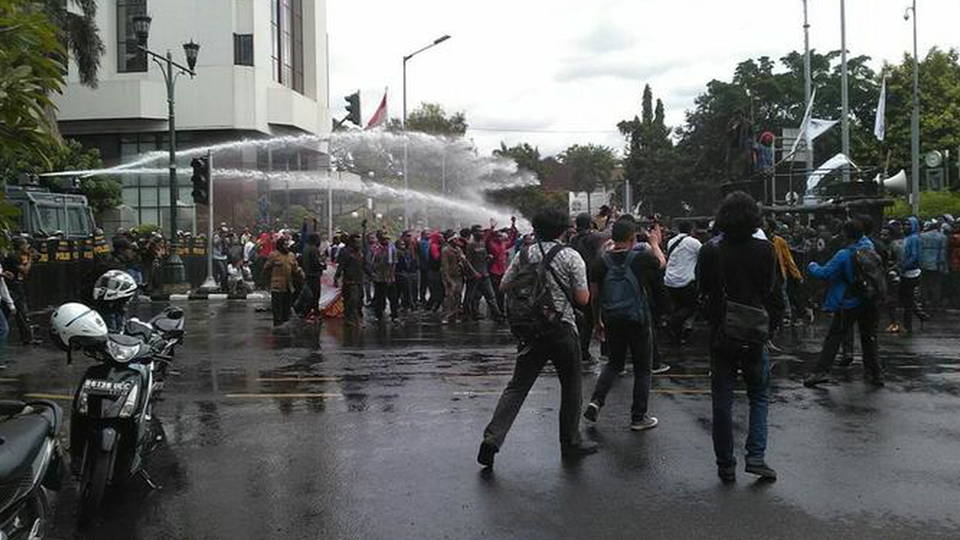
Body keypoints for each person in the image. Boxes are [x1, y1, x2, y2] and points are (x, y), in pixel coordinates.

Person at [478, 207, 597, 468]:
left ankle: (492, 439)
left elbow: (504, 285)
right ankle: (570, 442)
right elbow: (582, 299)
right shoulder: (571, 256)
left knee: (517, 387)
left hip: (531, 330)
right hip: (562, 329)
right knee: (571, 387)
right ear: (563, 230)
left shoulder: (525, 253)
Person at [697, 191, 779, 482]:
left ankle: (725, 464)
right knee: (759, 395)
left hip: (722, 330)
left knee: (722, 399)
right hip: (755, 330)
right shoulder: (766, 250)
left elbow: (702, 289)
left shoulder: (710, 250)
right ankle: (756, 457)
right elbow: (771, 291)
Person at [583, 217, 662, 431]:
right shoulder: (640, 258)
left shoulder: (601, 262)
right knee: (642, 368)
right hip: (638, 318)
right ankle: (638, 416)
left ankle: (596, 401)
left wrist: (597, 321)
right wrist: (654, 243)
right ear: (632, 237)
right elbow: (661, 263)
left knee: (614, 363)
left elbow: (594, 296)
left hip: (612, 318)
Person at [803, 219, 884, 387]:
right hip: (869, 299)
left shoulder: (844, 255)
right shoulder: (869, 247)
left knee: (834, 337)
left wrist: (812, 265)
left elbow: (825, 273)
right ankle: (876, 374)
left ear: (845, 235)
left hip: (850, 301)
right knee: (869, 337)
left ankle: (820, 372)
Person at [568, 213, 606, 363]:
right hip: (592, 280)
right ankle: (586, 351)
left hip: (576, 281)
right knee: (592, 318)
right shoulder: (594, 238)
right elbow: (609, 233)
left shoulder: (573, 239)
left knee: (580, 319)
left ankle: (580, 349)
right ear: (590, 224)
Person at [664, 221, 702, 345]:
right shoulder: (694, 242)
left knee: (678, 307)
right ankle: (672, 322)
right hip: (686, 281)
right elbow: (703, 255)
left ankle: (677, 336)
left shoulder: (671, 241)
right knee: (691, 307)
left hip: (670, 280)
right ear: (691, 229)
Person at [2, 238, 39, 344]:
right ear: (20, 246)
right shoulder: (13, 257)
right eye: (25, 244)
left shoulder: (17, 256)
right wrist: (30, 258)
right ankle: (27, 338)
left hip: (14, 287)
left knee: (16, 313)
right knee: (19, 312)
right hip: (12, 287)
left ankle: (27, 337)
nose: (27, 246)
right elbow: (25, 270)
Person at [263, 237, 303, 326]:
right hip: (277, 285)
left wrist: (302, 275)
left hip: (288, 285)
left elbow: (295, 268)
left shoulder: (291, 255)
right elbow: (266, 269)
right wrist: (267, 282)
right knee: (277, 306)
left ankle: (285, 323)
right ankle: (277, 324)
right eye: (284, 245)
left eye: (287, 245)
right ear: (280, 246)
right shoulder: (274, 255)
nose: (286, 247)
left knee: (286, 306)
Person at [465, 228, 503, 321]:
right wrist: (474, 272)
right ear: (474, 233)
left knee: (491, 295)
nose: (481, 233)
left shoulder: (482, 244)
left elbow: (484, 257)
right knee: (472, 296)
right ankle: (470, 314)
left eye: (482, 231)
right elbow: (467, 261)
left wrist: (488, 257)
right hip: (474, 276)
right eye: (479, 231)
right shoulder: (470, 245)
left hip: (485, 274)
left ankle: (497, 315)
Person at [899, 217, 929, 333]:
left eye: (908, 224)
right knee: (906, 298)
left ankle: (908, 325)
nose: (905, 226)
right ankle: (918, 314)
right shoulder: (906, 238)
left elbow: (914, 256)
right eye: (904, 224)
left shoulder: (914, 239)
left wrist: (904, 266)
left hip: (911, 272)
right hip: (905, 271)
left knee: (908, 300)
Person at [334, 234, 366, 327]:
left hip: (359, 280)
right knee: (352, 300)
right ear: (352, 243)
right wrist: (336, 277)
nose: (359, 244)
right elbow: (341, 266)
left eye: (359, 242)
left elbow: (364, 265)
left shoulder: (360, 253)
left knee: (359, 299)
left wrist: (371, 273)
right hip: (350, 281)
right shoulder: (346, 252)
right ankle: (351, 318)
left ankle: (354, 317)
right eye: (357, 242)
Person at [919, 220, 948, 309]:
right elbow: (942, 252)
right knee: (936, 285)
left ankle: (923, 301)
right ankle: (935, 304)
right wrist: (942, 265)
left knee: (924, 284)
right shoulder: (943, 237)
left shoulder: (922, 236)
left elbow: (920, 250)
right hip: (936, 264)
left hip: (924, 263)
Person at [371, 232, 399, 322]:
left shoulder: (392, 249)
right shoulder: (376, 249)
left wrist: (391, 276)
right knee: (379, 298)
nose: (386, 241)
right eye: (384, 239)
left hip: (389, 277)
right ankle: (378, 315)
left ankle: (394, 315)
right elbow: (373, 262)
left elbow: (394, 264)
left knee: (393, 298)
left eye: (387, 239)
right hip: (379, 277)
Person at [300, 232, 326, 320]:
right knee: (315, 294)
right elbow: (316, 263)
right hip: (314, 275)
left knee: (310, 294)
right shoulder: (314, 249)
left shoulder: (306, 249)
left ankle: (309, 312)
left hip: (307, 274)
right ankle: (312, 312)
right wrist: (323, 266)